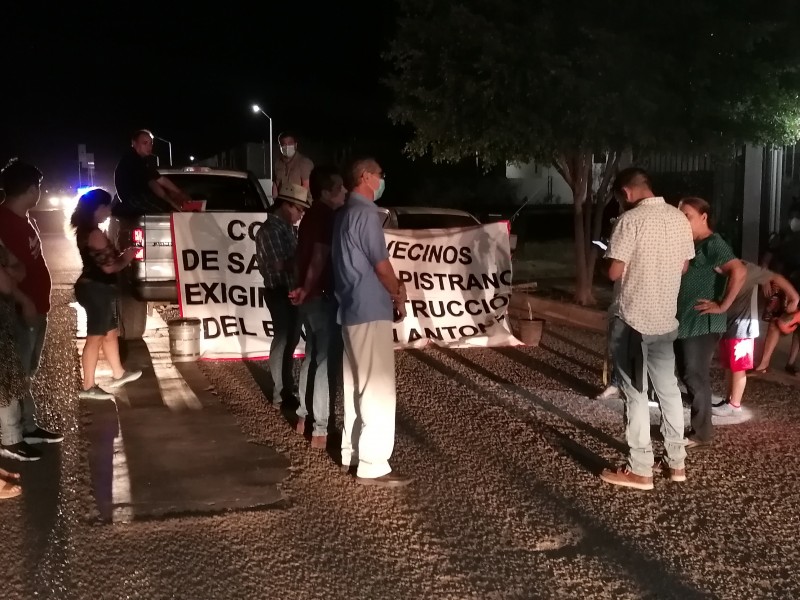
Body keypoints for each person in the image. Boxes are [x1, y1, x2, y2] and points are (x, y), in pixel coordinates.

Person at [600, 168, 695, 490]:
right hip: (665, 318)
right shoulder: (679, 219)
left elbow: (614, 272)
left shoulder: (630, 221)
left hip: (632, 320)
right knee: (668, 391)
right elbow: (683, 265)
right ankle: (675, 462)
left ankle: (640, 468)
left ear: (626, 193)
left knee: (635, 394)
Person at [332, 157, 412, 488]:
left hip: (350, 308)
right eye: (380, 174)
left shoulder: (343, 215)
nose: (382, 179)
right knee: (377, 389)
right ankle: (373, 463)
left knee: (355, 387)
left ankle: (352, 452)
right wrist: (398, 293)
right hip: (369, 308)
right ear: (365, 177)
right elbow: (381, 266)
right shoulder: (366, 215)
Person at [0, 159, 63, 461]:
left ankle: (28, 427)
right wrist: (24, 301)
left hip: (36, 307)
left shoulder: (24, 218)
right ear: (29, 189)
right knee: (14, 373)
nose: (39, 192)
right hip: (17, 310)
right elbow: (8, 273)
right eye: (37, 187)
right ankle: (10, 438)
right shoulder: (4, 221)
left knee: (27, 372)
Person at [675, 197, 745, 449]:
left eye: (688, 215)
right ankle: (697, 427)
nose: (683, 219)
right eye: (680, 214)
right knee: (687, 373)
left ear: (704, 217)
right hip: (686, 321)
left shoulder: (713, 243)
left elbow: (739, 270)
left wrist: (723, 305)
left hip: (702, 323)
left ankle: (701, 432)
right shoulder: (691, 244)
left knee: (695, 374)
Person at [289, 166, 347, 448]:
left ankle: (304, 418)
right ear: (326, 192)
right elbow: (319, 256)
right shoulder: (326, 217)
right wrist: (309, 286)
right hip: (322, 297)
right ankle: (321, 429)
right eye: (340, 187)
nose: (345, 192)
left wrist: (303, 288)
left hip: (310, 298)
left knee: (311, 357)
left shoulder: (311, 215)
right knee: (325, 362)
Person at [70, 189, 142, 399]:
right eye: (107, 206)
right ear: (98, 208)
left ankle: (119, 372)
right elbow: (109, 267)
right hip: (96, 289)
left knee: (110, 333)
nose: (110, 210)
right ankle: (88, 386)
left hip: (95, 288)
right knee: (95, 337)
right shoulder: (94, 233)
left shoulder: (87, 231)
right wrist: (127, 257)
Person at [714, 261, 799, 416]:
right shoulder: (718, 266)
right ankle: (728, 400)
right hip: (729, 323)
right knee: (729, 366)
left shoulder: (747, 269)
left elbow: (776, 277)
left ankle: (735, 404)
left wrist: (794, 298)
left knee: (739, 367)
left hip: (743, 326)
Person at [255, 182, 310, 408]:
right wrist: (301, 262)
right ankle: (281, 392)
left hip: (290, 289)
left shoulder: (286, 228)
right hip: (279, 291)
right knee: (284, 338)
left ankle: (285, 387)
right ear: (286, 206)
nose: (300, 214)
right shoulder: (270, 230)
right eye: (298, 209)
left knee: (290, 339)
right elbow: (278, 265)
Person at [0, 232, 42, 464]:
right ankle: (11, 440)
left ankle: (15, 437)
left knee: (10, 378)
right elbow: (8, 277)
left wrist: (9, 274)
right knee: (4, 384)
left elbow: (18, 269)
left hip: (4, 319)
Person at [754, 207, 800, 375]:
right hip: (781, 286)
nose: (794, 221)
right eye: (793, 217)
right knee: (776, 324)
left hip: (796, 286)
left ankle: (791, 363)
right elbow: (766, 260)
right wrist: (766, 279)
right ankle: (763, 363)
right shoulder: (780, 236)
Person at [114, 129, 189, 214]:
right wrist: (178, 194)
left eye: (151, 143)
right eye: (145, 143)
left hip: (134, 202)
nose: (149, 147)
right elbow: (159, 180)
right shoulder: (133, 160)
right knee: (167, 209)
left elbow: (154, 182)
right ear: (134, 143)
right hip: (134, 201)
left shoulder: (139, 161)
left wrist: (173, 198)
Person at [272, 132, 314, 198]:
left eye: (290, 143)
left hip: (301, 204)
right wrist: (276, 202)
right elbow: (275, 184)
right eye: (283, 144)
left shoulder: (304, 162)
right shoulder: (278, 163)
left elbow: (306, 186)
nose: (287, 146)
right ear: (280, 146)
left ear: (295, 145)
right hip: (282, 204)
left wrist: (294, 203)